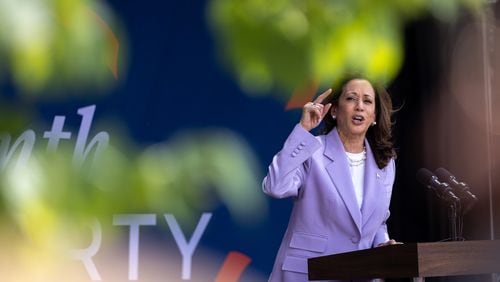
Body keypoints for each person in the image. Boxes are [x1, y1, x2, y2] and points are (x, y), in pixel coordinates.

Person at [263, 77, 399, 281]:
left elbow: (376, 222)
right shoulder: (312, 151)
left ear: (375, 116)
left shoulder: (385, 164)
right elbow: (275, 186)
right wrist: (303, 130)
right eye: (351, 98)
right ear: (334, 110)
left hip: (359, 274)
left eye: (367, 101)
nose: (360, 106)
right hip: (307, 275)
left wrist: (384, 245)